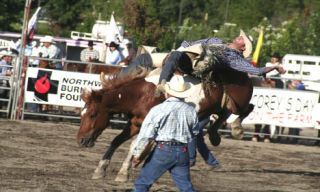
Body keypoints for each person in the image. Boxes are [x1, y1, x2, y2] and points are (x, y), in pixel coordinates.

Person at [132, 75, 200, 192]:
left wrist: (138, 153)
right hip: (183, 151)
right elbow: (194, 132)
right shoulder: (191, 111)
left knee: (142, 184)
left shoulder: (158, 109)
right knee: (186, 188)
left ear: (168, 93)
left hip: (163, 149)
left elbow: (146, 134)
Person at [157, 30, 286, 89]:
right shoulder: (216, 40)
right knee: (146, 57)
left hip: (195, 68)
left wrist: (274, 67)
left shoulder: (234, 59)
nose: (239, 37)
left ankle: (161, 84)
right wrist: (178, 51)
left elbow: (256, 71)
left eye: (243, 39)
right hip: (186, 57)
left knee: (174, 56)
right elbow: (189, 44)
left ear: (243, 47)